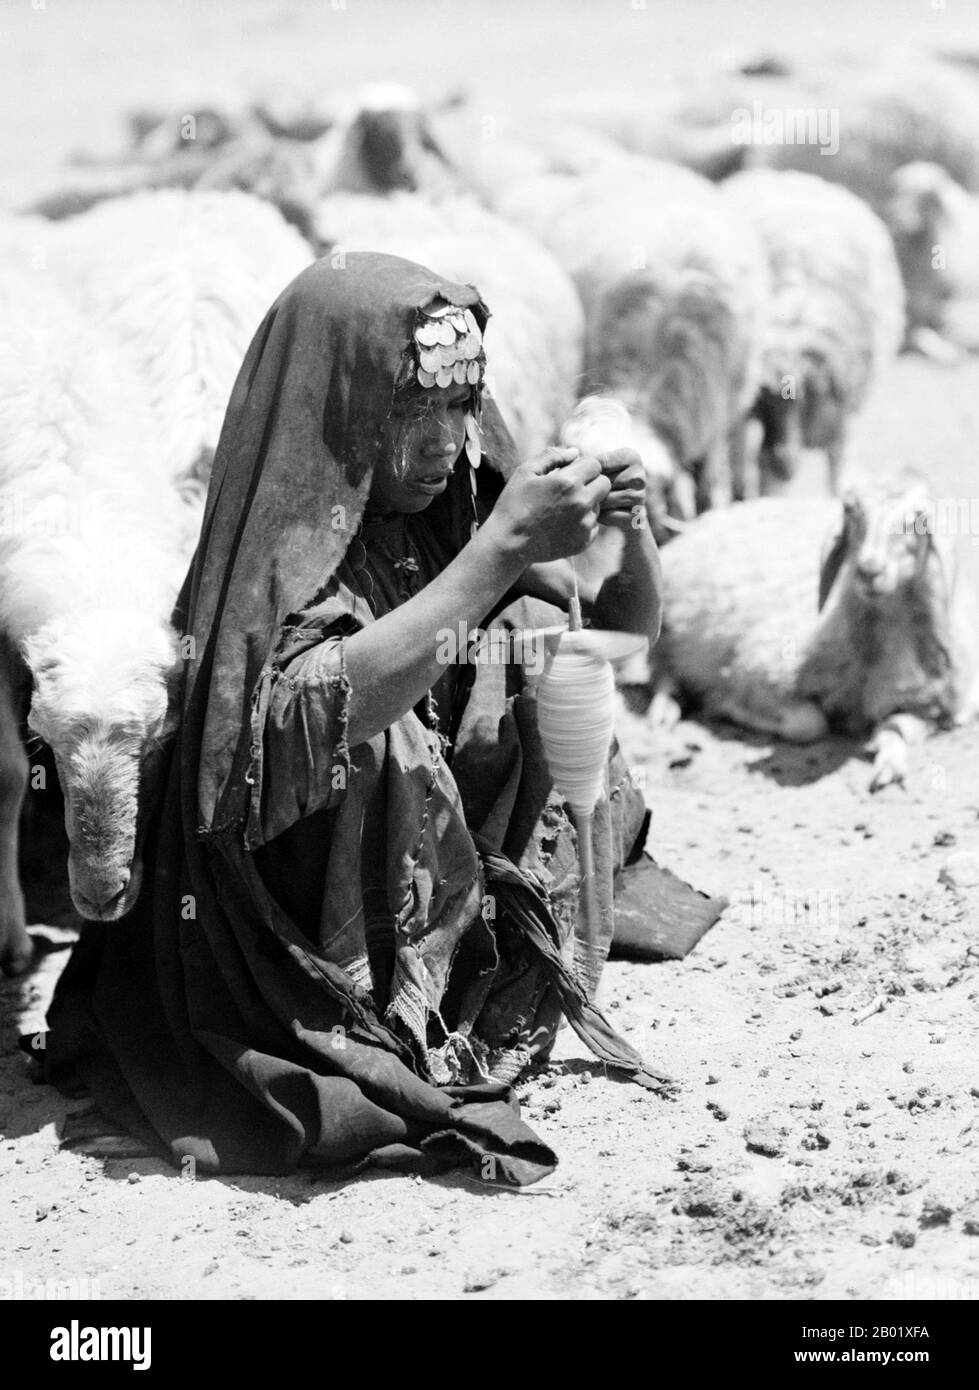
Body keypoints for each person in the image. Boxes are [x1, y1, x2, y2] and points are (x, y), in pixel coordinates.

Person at [37, 253, 721, 1186]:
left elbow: (614, 638)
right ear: (343, 411)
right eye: (408, 412)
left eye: (457, 407)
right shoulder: (277, 557)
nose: (444, 442)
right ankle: (394, 994)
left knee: (529, 638)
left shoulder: (447, 516)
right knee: (407, 705)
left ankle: (485, 929)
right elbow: (283, 742)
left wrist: (626, 528)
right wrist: (502, 548)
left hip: (436, 867)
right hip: (293, 922)